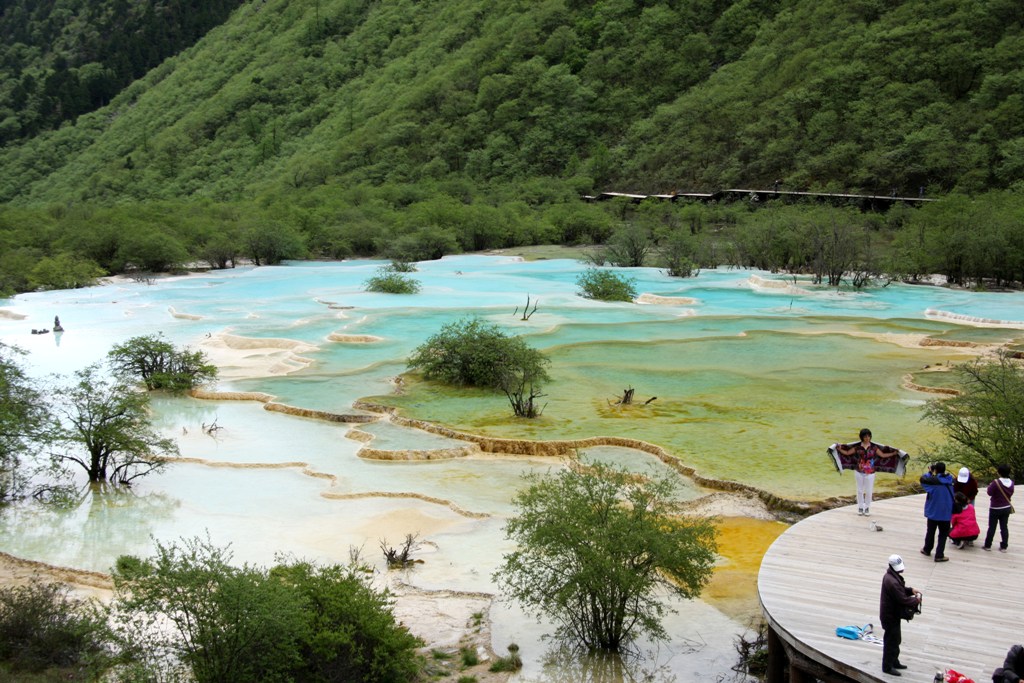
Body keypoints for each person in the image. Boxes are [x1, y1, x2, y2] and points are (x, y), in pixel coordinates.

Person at [836, 428, 903, 516]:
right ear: (862, 437)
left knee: (868, 491)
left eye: (868, 436)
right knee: (859, 490)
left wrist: (893, 454)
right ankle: (860, 507)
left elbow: (882, 455)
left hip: (870, 472)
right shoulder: (857, 447)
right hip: (859, 471)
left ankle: (867, 507)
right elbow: (848, 453)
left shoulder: (874, 447)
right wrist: (839, 449)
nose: (867, 438)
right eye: (865, 436)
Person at [880, 554, 921, 676]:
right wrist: (916, 600)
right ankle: (887, 666)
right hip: (890, 616)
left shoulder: (891, 577)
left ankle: (894, 661)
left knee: (896, 639)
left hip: (892, 614)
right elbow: (902, 599)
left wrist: (910, 590)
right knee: (891, 641)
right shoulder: (892, 582)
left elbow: (901, 590)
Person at [920, 462, 955, 562]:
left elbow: (923, 479)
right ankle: (939, 555)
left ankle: (927, 549)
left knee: (930, 531)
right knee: (943, 534)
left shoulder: (933, 483)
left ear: (936, 470)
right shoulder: (951, 481)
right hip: (946, 512)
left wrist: (930, 472)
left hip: (933, 512)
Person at [983, 464, 1015, 552]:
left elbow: (989, 492)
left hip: (995, 508)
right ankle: (1004, 546)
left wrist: (990, 486)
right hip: (1006, 507)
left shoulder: (996, 482)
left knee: (992, 527)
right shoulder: (1011, 483)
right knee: (1004, 527)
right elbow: (1011, 493)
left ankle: (988, 545)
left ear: (999, 472)